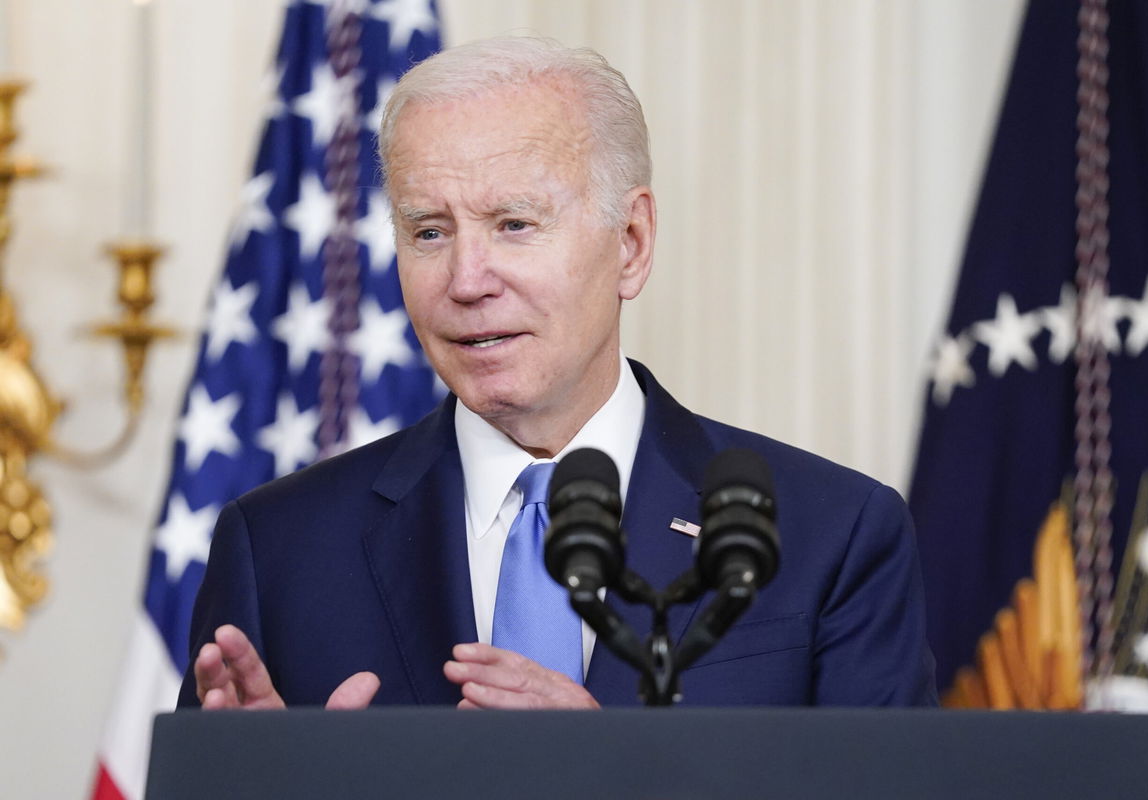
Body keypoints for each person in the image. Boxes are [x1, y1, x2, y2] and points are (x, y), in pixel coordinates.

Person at [179, 36, 936, 712]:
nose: (468, 279)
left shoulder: (832, 536)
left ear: (631, 244)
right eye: (429, 231)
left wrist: (608, 781)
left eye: (514, 224)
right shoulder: (277, 546)